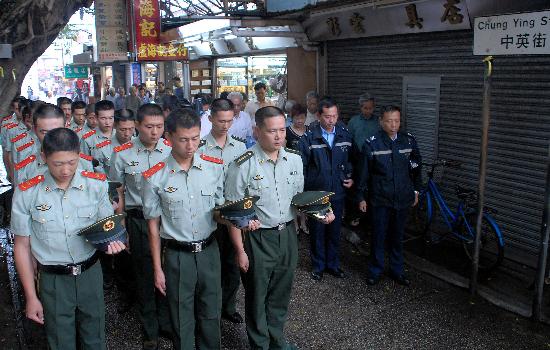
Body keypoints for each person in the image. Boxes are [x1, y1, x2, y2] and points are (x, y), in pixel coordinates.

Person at [225, 106, 333, 349]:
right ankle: (260, 343)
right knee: (257, 295)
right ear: (256, 131)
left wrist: (322, 211)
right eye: (271, 131)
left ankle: (277, 339)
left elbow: (298, 200)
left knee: (281, 293)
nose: (278, 136)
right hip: (257, 238)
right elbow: (233, 211)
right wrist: (239, 250)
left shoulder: (294, 159)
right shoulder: (243, 165)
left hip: (287, 236)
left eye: (282, 130)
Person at [11, 127, 125, 350]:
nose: (65, 170)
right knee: (60, 342)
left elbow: (107, 227)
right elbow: (22, 246)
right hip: (53, 280)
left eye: (72, 162)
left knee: (95, 339)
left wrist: (112, 242)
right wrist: (31, 296)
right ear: (44, 157)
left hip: (90, 274)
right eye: (58, 163)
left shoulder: (95, 185)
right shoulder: (27, 193)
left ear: (79, 155)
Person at [143, 108, 225, 350]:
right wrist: (158, 269)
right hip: (178, 256)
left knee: (211, 312)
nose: (191, 146)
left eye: (195, 138)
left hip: (209, 251)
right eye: (183, 139)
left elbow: (219, 210)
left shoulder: (213, 168)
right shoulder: (155, 176)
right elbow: (152, 226)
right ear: (168, 138)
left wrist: (238, 218)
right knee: (181, 317)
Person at [109, 103, 172, 350]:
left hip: (167, 221)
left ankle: (167, 322)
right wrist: (121, 226)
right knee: (145, 274)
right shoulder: (123, 153)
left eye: (159, 126)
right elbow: (118, 191)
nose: (155, 132)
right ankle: (150, 330)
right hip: (138, 221)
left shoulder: (169, 150)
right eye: (149, 127)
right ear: (137, 126)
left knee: (168, 269)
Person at [357, 105, 422, 287]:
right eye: (389, 121)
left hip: (402, 198)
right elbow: (363, 173)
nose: (393, 125)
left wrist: (416, 191)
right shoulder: (372, 143)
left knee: (398, 236)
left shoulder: (408, 141)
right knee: (378, 236)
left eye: (397, 121)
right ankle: (375, 270)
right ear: (381, 121)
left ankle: (397, 270)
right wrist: (361, 196)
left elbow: (417, 168)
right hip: (380, 199)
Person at [198, 98, 247, 325]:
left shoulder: (240, 147)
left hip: (233, 214)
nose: (225, 126)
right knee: (210, 266)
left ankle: (228, 306)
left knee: (233, 263)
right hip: (208, 214)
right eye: (220, 121)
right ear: (210, 119)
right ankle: (210, 309)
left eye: (229, 121)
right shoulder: (198, 147)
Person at [298, 98, 353, 281]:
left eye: (335, 116)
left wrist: (350, 176)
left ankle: (333, 264)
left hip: (337, 191)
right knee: (317, 232)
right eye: (328, 116)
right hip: (317, 194)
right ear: (319, 115)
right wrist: (305, 194)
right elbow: (302, 168)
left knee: (335, 231)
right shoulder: (308, 138)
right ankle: (318, 266)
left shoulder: (344, 135)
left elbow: (351, 160)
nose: (332, 120)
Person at [13, 104, 94, 185]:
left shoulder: (83, 163)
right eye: (44, 132)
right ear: (34, 130)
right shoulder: (26, 165)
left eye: (57, 130)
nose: (51, 136)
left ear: (66, 127)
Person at [92, 108, 135, 175]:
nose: (127, 133)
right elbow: (99, 176)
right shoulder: (101, 149)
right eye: (123, 129)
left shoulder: (141, 146)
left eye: (131, 129)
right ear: (114, 125)